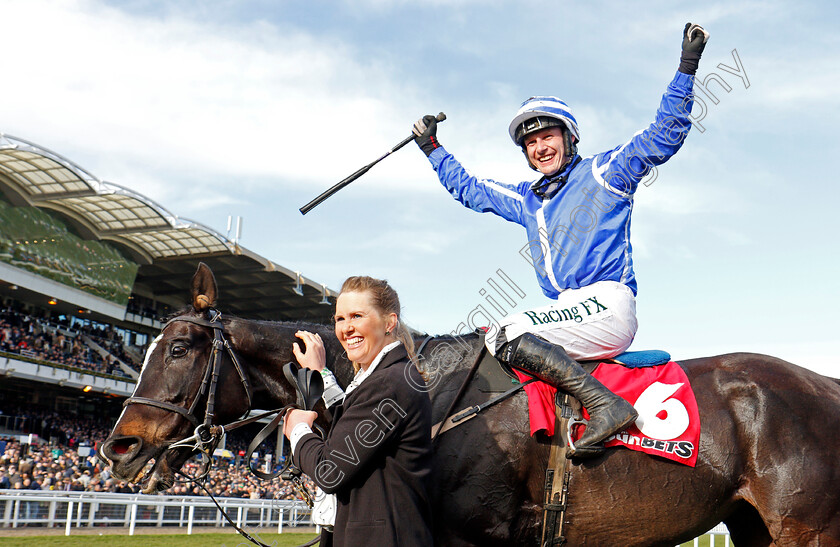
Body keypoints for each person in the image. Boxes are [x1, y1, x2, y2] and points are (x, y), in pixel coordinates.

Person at [412, 23, 709, 458]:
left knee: (506, 330)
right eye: (530, 142)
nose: (539, 147)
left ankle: (607, 406)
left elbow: (664, 134)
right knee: (497, 341)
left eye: (547, 136)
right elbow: (471, 190)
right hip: (567, 310)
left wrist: (686, 67)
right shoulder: (527, 199)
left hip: (608, 303)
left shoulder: (606, 172)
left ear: (570, 138)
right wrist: (433, 149)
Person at [283, 276, 434, 547]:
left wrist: (297, 429)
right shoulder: (386, 377)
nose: (346, 328)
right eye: (340, 318)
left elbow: (329, 470)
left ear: (389, 323)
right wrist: (321, 373)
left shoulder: (389, 383)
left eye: (357, 316)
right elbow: (351, 419)